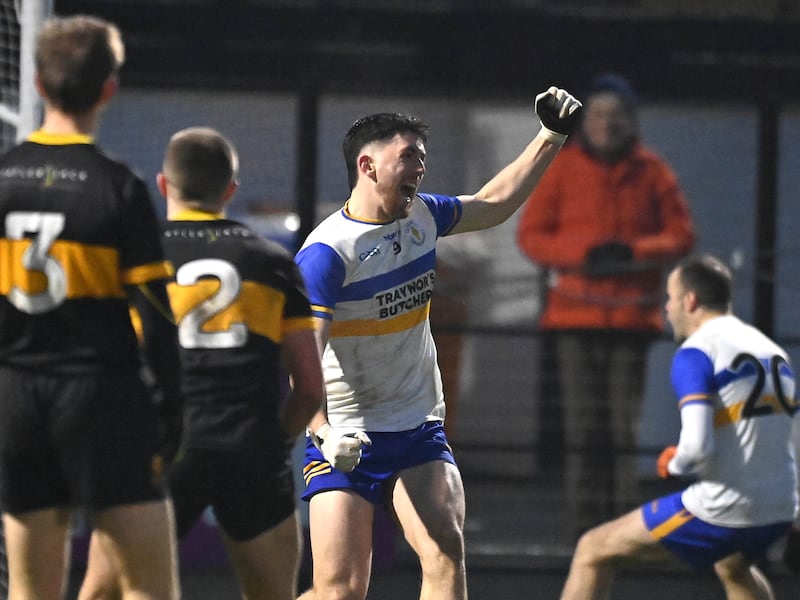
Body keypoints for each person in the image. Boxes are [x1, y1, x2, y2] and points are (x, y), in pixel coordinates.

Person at [293, 86, 582, 600]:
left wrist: (550, 136)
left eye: (422, 161)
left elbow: (491, 205)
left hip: (416, 427)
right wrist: (322, 435)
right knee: (338, 591)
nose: (419, 170)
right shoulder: (326, 255)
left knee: (445, 550)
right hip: (345, 436)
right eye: (408, 158)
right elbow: (303, 364)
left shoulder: (422, 216)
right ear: (367, 165)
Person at [78, 127, 325, 600]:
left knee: (101, 593)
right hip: (250, 449)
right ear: (230, 190)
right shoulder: (272, 263)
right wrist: (275, 443)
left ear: (164, 184)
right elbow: (310, 388)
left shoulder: (134, 258)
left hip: (162, 447)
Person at [0, 15, 182, 600]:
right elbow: (157, 316)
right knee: (149, 588)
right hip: (101, 400)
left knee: (32, 592)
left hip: (16, 400)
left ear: (36, 82)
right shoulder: (119, 188)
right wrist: (172, 414)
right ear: (109, 88)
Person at [516, 73, 696, 536]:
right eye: (597, 115)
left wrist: (634, 252)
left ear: (630, 120)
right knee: (583, 429)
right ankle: (586, 527)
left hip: (632, 317)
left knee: (622, 426)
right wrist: (585, 254)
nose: (606, 124)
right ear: (584, 122)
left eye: (615, 115)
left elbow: (681, 235)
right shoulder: (561, 168)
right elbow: (531, 235)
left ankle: (624, 526)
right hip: (575, 316)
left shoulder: (653, 171)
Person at [559, 254, 800, 600]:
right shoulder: (773, 351)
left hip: (727, 508)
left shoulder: (697, 352)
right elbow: (794, 436)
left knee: (592, 551)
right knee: (733, 565)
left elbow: (696, 450)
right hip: (780, 506)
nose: (667, 309)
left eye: (670, 299)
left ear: (690, 301)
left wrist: (674, 463)